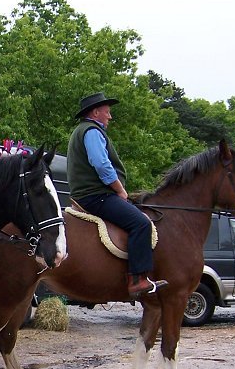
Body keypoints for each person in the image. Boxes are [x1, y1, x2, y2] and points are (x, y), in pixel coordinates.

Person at [67, 92, 168, 298]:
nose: (110, 117)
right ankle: (137, 280)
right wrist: (120, 190)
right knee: (141, 223)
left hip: (88, 194)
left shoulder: (82, 131)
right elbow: (102, 165)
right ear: (95, 112)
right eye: (107, 112)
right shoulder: (92, 132)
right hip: (97, 195)